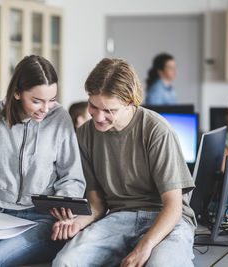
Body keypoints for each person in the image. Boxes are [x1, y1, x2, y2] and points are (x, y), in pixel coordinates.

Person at [51, 58, 196, 267]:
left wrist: (143, 247)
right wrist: (76, 222)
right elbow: (97, 205)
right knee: (64, 262)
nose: (99, 117)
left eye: (109, 110)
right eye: (93, 106)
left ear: (130, 102)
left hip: (166, 220)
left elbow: (174, 208)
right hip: (118, 218)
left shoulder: (156, 131)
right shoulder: (84, 135)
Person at [0, 55, 86, 267]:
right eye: (37, 101)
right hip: (4, 216)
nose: (46, 109)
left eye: (51, 99)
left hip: (45, 220)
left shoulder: (60, 118)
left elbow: (72, 177)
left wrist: (65, 205)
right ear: (17, 92)